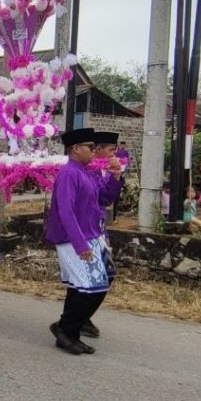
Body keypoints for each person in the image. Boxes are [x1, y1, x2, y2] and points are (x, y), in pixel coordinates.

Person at [45, 127, 122, 355]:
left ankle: (68, 328)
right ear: (75, 149)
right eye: (90, 147)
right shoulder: (69, 173)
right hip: (74, 239)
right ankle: (67, 331)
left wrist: (116, 176)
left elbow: (104, 199)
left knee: (103, 279)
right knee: (90, 287)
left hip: (93, 235)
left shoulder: (87, 171)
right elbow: (65, 212)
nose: (93, 151)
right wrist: (80, 245)